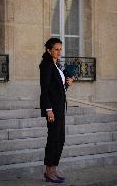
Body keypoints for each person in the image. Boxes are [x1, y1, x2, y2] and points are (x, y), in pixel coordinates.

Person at [39, 38, 73, 183]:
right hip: (52, 109)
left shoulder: (56, 65)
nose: (59, 52)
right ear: (49, 50)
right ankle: (48, 171)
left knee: (60, 139)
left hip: (60, 107)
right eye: (56, 49)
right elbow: (45, 90)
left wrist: (68, 83)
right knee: (53, 139)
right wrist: (48, 110)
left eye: (60, 49)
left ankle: (53, 169)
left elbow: (59, 89)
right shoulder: (46, 65)